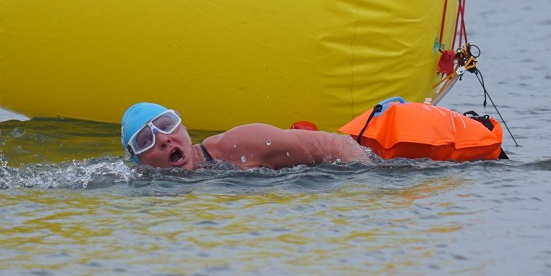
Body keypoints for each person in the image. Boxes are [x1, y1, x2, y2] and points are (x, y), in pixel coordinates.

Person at [121, 102, 373, 170]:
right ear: (140, 163)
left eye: (167, 125)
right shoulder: (147, 191)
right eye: (146, 141)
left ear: (184, 130)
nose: (163, 138)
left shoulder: (241, 143)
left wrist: (370, 181)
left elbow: (334, 144)